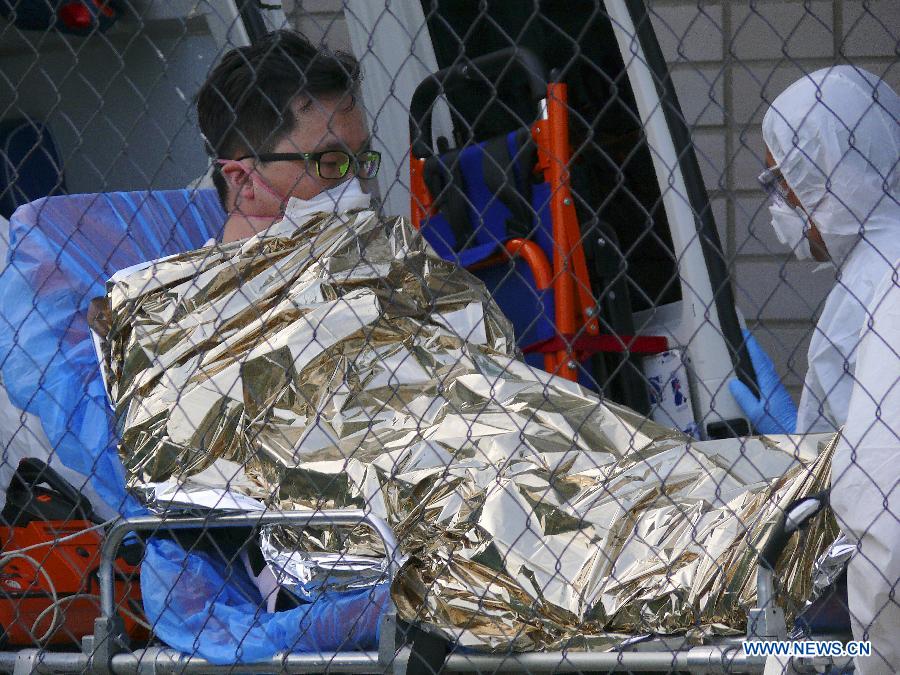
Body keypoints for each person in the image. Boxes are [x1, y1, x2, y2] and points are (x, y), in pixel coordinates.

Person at [728, 66, 900, 436]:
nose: (779, 201)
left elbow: (857, 470)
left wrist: (797, 443)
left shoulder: (866, 291)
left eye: (779, 180)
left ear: (821, 170)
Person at [196, 29, 380, 243]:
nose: (355, 187)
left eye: (360, 161)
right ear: (244, 179)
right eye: (331, 162)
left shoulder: (389, 261)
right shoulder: (195, 277)